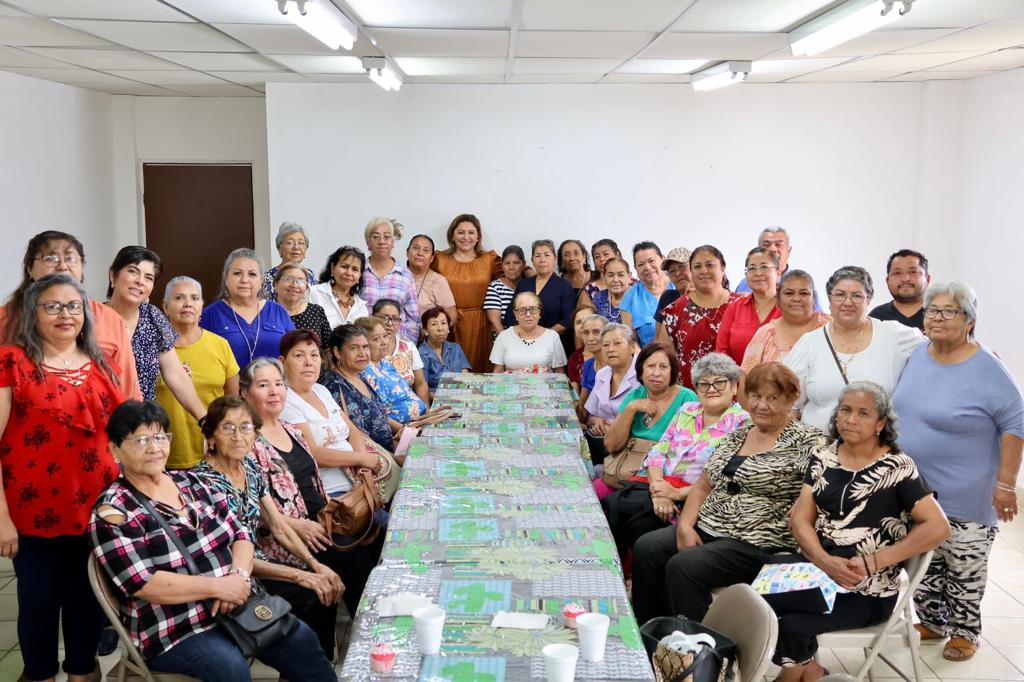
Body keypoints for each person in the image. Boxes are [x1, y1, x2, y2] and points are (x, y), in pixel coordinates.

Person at [90, 401, 336, 682]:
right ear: (115, 449)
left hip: (237, 605)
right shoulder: (113, 510)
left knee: (299, 638)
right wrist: (219, 587)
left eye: (160, 437)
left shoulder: (192, 483)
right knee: (230, 669)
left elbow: (241, 535)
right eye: (141, 440)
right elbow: (144, 583)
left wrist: (239, 578)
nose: (154, 447)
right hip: (177, 626)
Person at [775, 383, 949, 682]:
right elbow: (801, 519)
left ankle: (794, 675)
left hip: (865, 590)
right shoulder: (823, 457)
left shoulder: (898, 467)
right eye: (845, 410)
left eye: (863, 413)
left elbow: (938, 526)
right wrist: (822, 559)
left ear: (881, 423)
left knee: (792, 623)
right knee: (753, 595)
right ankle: (811, 670)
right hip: (817, 573)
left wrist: (874, 562)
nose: (850, 419)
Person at [631, 362, 828, 625]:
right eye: (756, 396)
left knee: (684, 567)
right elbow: (704, 484)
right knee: (648, 548)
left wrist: (806, 502)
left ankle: (702, 652)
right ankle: (655, 635)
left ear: (791, 399)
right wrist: (686, 526)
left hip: (757, 539)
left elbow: (826, 487)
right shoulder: (740, 433)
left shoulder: (809, 441)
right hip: (711, 525)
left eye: (772, 398)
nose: (761, 405)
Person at [0, 273, 123, 682]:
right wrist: (1, 518)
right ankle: (39, 674)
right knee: (38, 607)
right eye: (52, 306)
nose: (65, 315)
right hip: (33, 513)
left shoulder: (101, 363)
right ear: (32, 314)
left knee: (86, 606)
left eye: (73, 306)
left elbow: (121, 438)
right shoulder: (11, 361)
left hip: (97, 512)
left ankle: (82, 673)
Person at [893, 281, 1024, 662]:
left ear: (970, 320)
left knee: (963, 564)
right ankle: (934, 621)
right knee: (923, 560)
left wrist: (1006, 484)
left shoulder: (987, 367)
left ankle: (966, 631)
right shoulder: (919, 355)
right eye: (932, 310)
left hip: (967, 490)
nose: (936, 317)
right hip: (915, 488)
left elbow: (1016, 424)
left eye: (948, 311)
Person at [193, 396, 344, 658]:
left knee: (326, 581)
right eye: (227, 428)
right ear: (212, 437)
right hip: (232, 577)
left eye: (246, 427)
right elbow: (229, 557)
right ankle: (305, 666)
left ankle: (316, 664)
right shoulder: (203, 484)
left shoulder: (249, 466)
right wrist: (300, 575)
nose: (238, 436)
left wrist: (314, 565)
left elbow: (279, 526)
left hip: (259, 561)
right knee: (311, 594)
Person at [241, 358, 381, 620]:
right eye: (263, 385)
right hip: (288, 537)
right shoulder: (245, 442)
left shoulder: (292, 430)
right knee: (354, 557)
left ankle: (364, 621)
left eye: (278, 384)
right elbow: (247, 509)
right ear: (245, 393)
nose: (274, 391)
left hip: (323, 522)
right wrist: (298, 525)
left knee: (376, 533)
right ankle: (366, 629)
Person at [604, 353, 749, 560]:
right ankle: (617, 579)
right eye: (703, 384)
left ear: (734, 387)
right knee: (613, 506)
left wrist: (676, 494)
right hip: (658, 487)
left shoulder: (743, 424)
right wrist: (659, 490)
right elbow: (658, 451)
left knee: (638, 521)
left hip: (696, 500)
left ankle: (642, 586)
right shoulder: (687, 410)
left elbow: (729, 480)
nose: (712, 389)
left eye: (720, 383)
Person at [0, 230, 141, 401]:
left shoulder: (108, 318)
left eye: (70, 258)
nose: (62, 266)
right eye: (50, 258)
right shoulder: (5, 318)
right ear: (30, 268)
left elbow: (126, 389)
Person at [785, 266, 923, 431]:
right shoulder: (810, 343)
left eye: (857, 296)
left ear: (869, 301)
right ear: (829, 300)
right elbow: (788, 406)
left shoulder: (893, 335)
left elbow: (938, 348)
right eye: (840, 295)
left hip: (875, 448)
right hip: (817, 448)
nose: (848, 302)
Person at [104, 247, 206, 420]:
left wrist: (205, 419)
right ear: (113, 276)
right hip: (101, 422)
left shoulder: (152, 316)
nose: (140, 281)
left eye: (148, 277)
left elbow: (175, 374)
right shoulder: (92, 318)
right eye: (132, 272)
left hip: (143, 425)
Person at [278, 330, 381, 498]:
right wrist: (360, 459)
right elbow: (312, 453)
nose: (308, 362)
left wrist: (364, 469)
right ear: (282, 362)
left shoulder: (321, 390)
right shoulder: (285, 400)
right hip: (332, 492)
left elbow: (353, 431)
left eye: (314, 355)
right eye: (299, 356)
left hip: (358, 481)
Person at [157, 276, 239, 470]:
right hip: (162, 457)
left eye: (195, 298)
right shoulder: (153, 349)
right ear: (165, 306)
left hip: (212, 455)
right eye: (179, 298)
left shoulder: (220, 345)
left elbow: (232, 403)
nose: (188, 304)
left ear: (202, 305)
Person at [596, 343, 698, 498]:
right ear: (641, 370)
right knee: (596, 489)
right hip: (625, 471)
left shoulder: (687, 399)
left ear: (672, 372)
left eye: (663, 367)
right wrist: (631, 409)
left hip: (664, 478)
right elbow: (611, 445)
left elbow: (691, 452)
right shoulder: (634, 396)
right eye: (650, 366)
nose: (656, 373)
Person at [658, 246, 741, 388]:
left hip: (736, 398)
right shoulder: (675, 310)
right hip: (691, 400)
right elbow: (664, 359)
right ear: (691, 271)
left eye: (709, 265)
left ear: (723, 268)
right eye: (697, 266)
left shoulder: (742, 306)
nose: (704, 271)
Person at [200, 248, 296, 368]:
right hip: (227, 386)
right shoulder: (210, 314)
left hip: (274, 386)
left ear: (261, 280)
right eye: (237, 273)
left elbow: (295, 353)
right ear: (226, 278)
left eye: (252, 274)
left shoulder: (278, 312)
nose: (244, 280)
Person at [433, 214, 503, 373]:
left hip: (480, 325)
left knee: (480, 372)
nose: (466, 237)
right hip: (449, 323)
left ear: (478, 236)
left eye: (471, 232)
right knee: (450, 374)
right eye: (461, 232)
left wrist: (532, 274)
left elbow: (512, 272)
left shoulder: (489, 260)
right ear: (452, 235)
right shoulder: (440, 259)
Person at [321, 325, 402, 451]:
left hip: (390, 450)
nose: (362, 353)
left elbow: (381, 416)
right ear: (337, 352)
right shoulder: (334, 386)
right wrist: (395, 459)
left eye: (365, 347)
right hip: (374, 460)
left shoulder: (359, 376)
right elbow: (358, 436)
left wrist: (404, 431)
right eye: (354, 348)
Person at [741, 270, 829, 373]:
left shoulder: (831, 327)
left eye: (804, 293)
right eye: (789, 293)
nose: (796, 298)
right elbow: (746, 380)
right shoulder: (764, 334)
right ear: (778, 298)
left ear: (813, 298)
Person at [502, 239, 576, 358]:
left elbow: (568, 320)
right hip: (523, 345)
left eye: (547, 255)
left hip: (554, 344)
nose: (542, 260)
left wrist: (542, 337)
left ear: (555, 259)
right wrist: (525, 338)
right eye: (537, 256)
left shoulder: (564, 285)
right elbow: (511, 316)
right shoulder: (524, 284)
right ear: (532, 261)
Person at [715, 247, 782, 365]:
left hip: (780, 381)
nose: (758, 273)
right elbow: (722, 351)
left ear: (778, 273)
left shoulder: (788, 308)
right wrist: (738, 377)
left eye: (764, 267)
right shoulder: (735, 308)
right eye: (752, 268)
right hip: (738, 381)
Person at [583, 324, 640, 459]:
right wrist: (596, 421)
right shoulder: (602, 374)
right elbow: (590, 415)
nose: (611, 349)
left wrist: (617, 428)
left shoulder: (643, 375)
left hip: (631, 447)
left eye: (617, 343)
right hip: (602, 444)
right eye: (606, 345)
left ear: (632, 347)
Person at [354, 317, 426, 423]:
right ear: (364, 344)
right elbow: (381, 414)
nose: (384, 342)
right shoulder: (367, 371)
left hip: (421, 419)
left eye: (385, 336)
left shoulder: (384, 362)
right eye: (376, 339)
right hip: (404, 429)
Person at [361, 217, 419, 341]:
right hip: (365, 344)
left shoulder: (405, 275)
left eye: (387, 237)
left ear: (392, 242)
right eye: (375, 237)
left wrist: (402, 344)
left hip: (398, 344)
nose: (382, 241)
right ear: (368, 243)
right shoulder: (359, 272)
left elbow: (413, 319)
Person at [372, 299, 430, 406]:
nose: (390, 324)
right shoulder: (367, 349)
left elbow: (420, 383)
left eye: (395, 319)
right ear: (372, 319)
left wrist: (426, 411)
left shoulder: (408, 346)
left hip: (411, 409)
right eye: (384, 318)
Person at [491, 292, 567, 374]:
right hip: (511, 386)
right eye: (522, 310)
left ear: (539, 312)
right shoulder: (504, 336)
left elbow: (560, 373)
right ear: (515, 314)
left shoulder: (552, 336)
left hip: (544, 386)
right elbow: (498, 372)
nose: (528, 314)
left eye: (533, 309)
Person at [620, 241, 673, 347]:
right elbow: (631, 343)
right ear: (635, 269)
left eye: (651, 260)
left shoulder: (679, 286)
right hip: (651, 360)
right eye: (641, 264)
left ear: (662, 259)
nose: (648, 267)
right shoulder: (629, 299)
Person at [308, 246, 370, 329]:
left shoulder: (361, 306)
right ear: (332, 268)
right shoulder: (314, 293)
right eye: (344, 267)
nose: (349, 273)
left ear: (360, 275)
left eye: (355, 269)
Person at [275, 261, 332, 351]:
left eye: (301, 281)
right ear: (276, 284)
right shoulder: (267, 311)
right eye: (288, 279)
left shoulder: (316, 311)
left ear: (306, 288)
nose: (294, 285)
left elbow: (328, 348)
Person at [869, 249, 931, 330]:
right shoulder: (876, 318)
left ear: (928, 279)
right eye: (897, 273)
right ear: (887, 281)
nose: (905, 279)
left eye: (913, 272)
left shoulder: (940, 315)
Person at [418, 307, 472, 396]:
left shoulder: (455, 348)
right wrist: (446, 397)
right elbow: (422, 388)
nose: (440, 328)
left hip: (461, 396)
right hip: (437, 401)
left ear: (448, 328)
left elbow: (465, 375)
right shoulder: (421, 354)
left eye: (443, 323)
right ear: (425, 330)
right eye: (434, 324)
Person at [406, 234, 457, 324]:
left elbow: (452, 317)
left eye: (426, 250)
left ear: (432, 258)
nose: (420, 253)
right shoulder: (395, 276)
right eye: (416, 248)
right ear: (407, 252)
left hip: (427, 336)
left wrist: (432, 333)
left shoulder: (438, 281)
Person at [263, 221, 317, 299]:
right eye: (289, 243)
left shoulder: (310, 275)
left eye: (301, 243)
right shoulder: (267, 278)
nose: (296, 247)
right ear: (279, 249)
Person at [483, 245, 526, 341]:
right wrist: (510, 343)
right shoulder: (495, 287)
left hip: (529, 341)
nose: (511, 267)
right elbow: (494, 322)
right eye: (507, 263)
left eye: (516, 263)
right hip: (504, 342)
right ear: (502, 266)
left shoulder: (528, 285)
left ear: (523, 265)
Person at [574, 313, 609, 404]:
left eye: (596, 332)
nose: (590, 338)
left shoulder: (616, 365)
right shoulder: (588, 364)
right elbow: (583, 403)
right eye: (586, 333)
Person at [586, 257, 630, 325]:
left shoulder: (637, 297)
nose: (615, 280)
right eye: (610, 275)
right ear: (604, 277)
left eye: (620, 275)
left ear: (629, 276)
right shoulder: (598, 297)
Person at [655, 246, 693, 315]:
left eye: (682, 267)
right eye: (672, 271)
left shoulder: (710, 295)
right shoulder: (667, 298)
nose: (677, 274)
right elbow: (659, 325)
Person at [567, 305, 598, 389]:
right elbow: (576, 394)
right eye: (578, 322)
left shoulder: (610, 351)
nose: (583, 325)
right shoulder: (574, 358)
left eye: (588, 320)